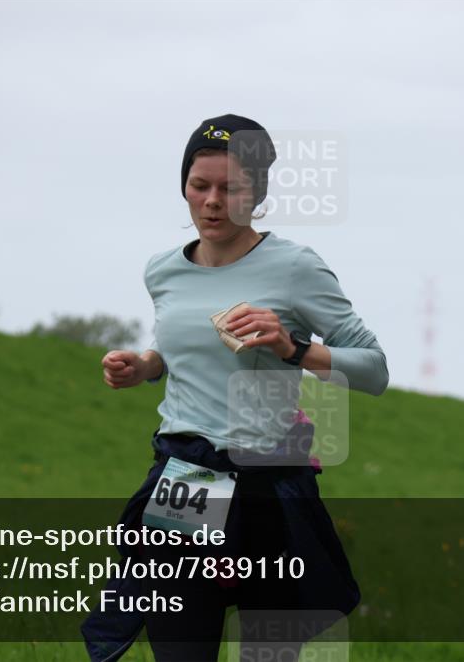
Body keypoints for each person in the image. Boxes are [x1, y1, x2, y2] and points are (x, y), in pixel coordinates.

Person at [81, 114, 388, 662]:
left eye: (232, 189)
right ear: (184, 185)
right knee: (179, 648)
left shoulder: (295, 267)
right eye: (201, 186)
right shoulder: (162, 271)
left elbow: (374, 369)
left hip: (268, 484)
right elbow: (184, 355)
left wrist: (292, 348)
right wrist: (146, 365)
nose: (213, 202)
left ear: (259, 193)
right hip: (190, 478)